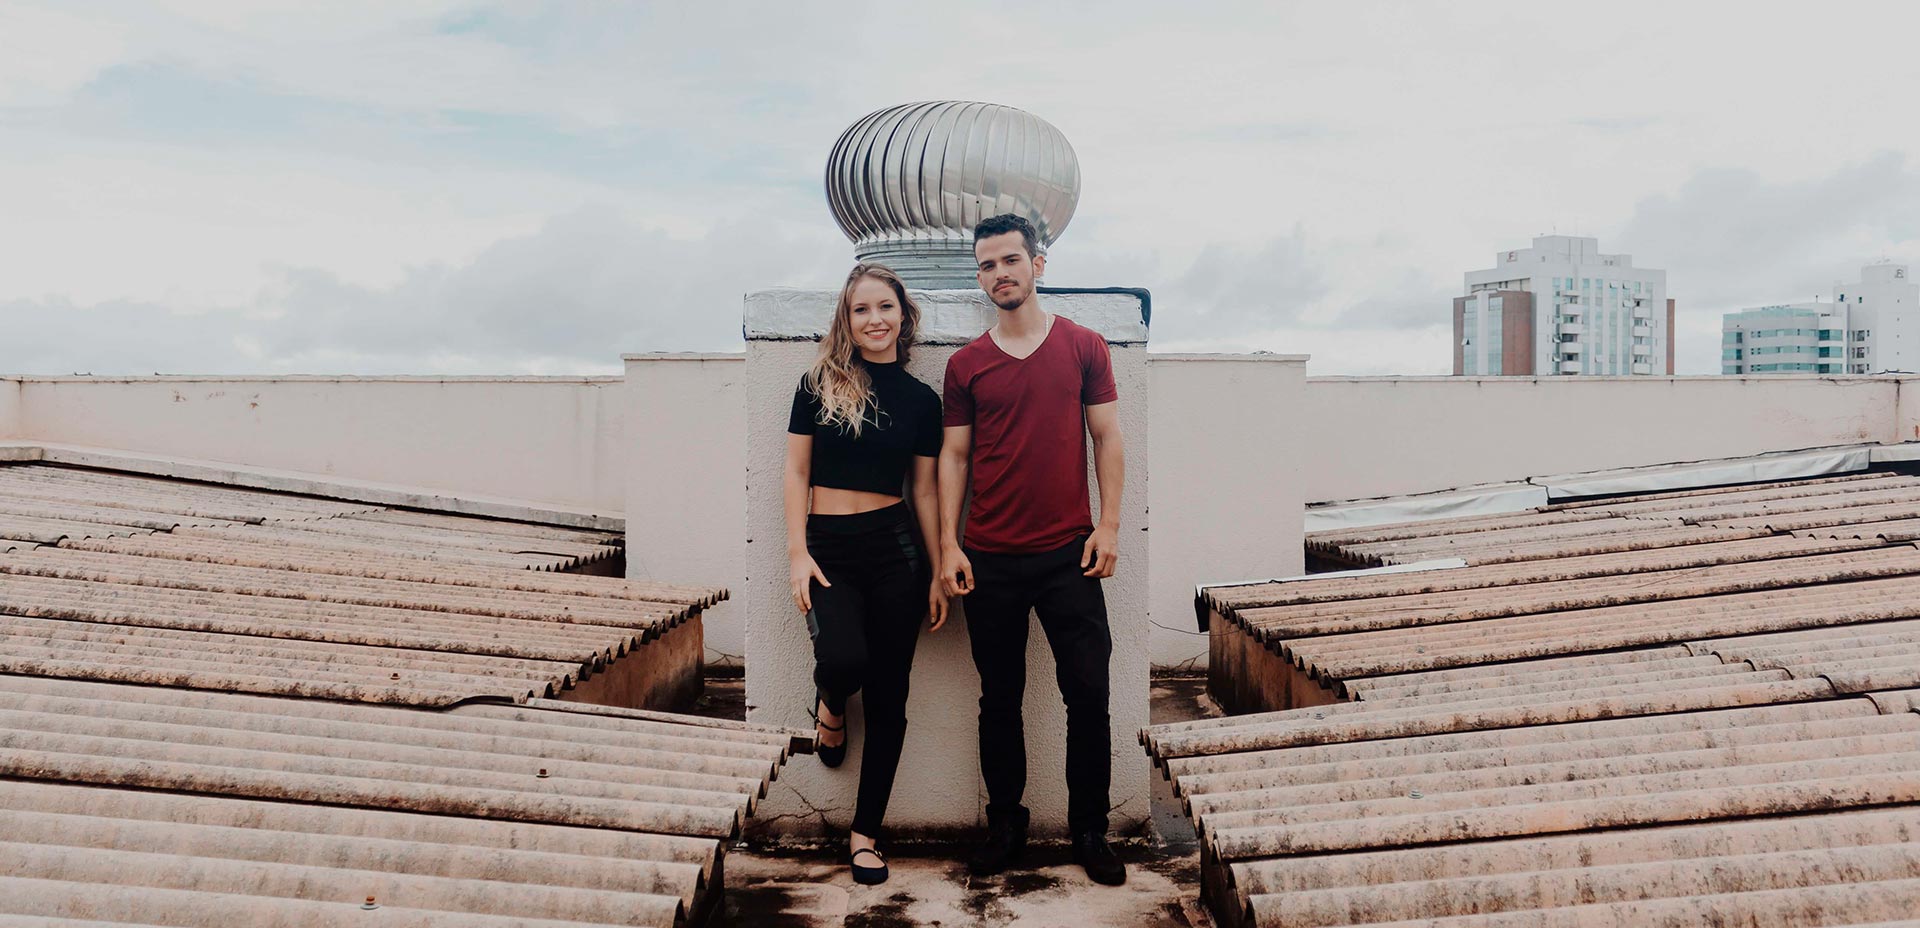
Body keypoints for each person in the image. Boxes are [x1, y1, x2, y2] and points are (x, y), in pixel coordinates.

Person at [938, 213, 1128, 886]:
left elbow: (1107, 437)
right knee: (999, 698)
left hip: (1069, 555)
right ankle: (1006, 826)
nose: (1000, 274)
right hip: (989, 556)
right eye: (987, 265)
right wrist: (948, 546)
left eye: (1011, 260)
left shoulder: (1083, 346)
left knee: (1089, 695)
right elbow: (953, 458)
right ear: (980, 276)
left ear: (1037, 264)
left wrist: (1108, 527)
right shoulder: (965, 365)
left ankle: (1089, 830)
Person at [784, 263, 948, 886]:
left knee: (889, 696)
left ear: (904, 316)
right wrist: (797, 553)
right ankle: (830, 707)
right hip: (828, 548)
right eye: (861, 309)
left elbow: (924, 491)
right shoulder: (816, 385)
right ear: (846, 320)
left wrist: (937, 568)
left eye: (885, 307)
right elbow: (796, 473)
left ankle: (865, 834)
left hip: (895, 551)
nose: (875, 319)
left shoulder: (921, 401)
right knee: (844, 660)